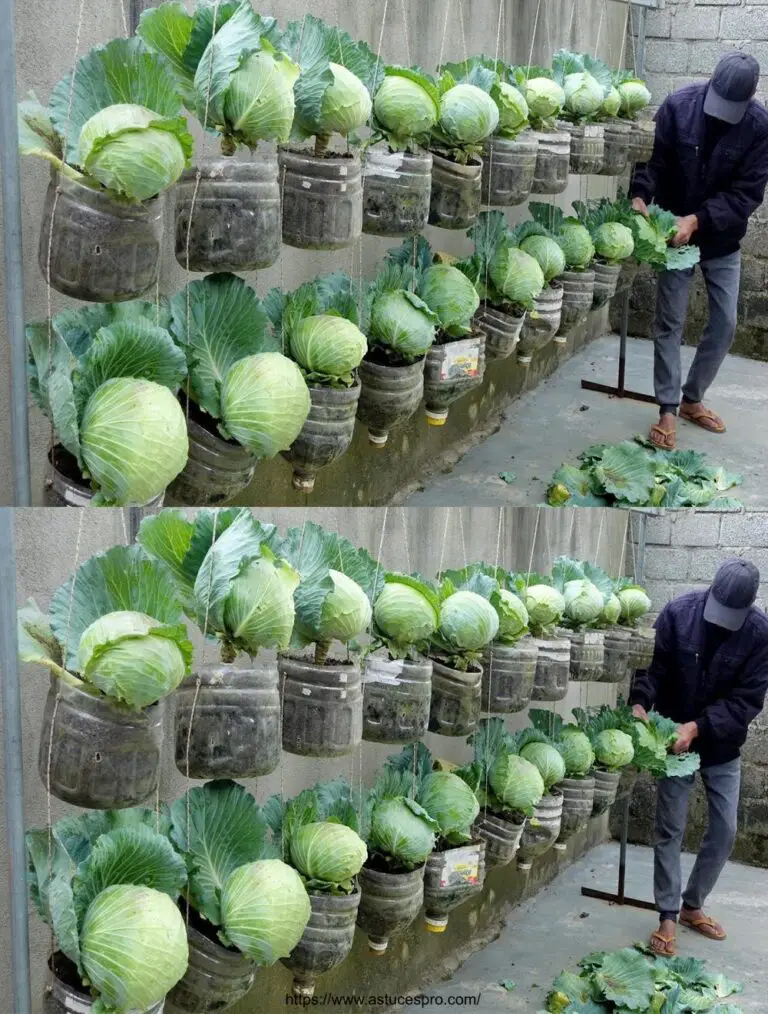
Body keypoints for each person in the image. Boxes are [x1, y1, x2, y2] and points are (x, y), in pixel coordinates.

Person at [629, 558, 768, 957]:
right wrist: (640, 702)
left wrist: (698, 727)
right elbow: (651, 669)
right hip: (673, 743)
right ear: (711, 592)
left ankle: (693, 905)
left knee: (725, 831)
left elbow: (747, 701)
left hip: (721, 745)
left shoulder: (760, 635)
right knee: (669, 828)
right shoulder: (678, 613)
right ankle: (667, 915)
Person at [630, 52, 768, 451]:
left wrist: (698, 220)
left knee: (725, 324)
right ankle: (668, 409)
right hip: (672, 236)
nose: (721, 115)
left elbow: (746, 195)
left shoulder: (759, 129)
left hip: (720, 238)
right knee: (668, 322)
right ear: (711, 85)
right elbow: (651, 161)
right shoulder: (678, 106)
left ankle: (693, 399)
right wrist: (640, 195)